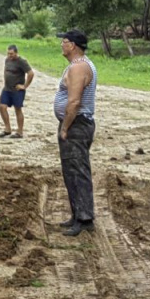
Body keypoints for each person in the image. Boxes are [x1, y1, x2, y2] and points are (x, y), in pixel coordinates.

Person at [54, 29, 98, 236]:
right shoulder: (78, 65)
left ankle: (84, 218)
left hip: (76, 124)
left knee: (77, 170)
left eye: (64, 42)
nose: (61, 45)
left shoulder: (79, 67)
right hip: (76, 123)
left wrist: (65, 127)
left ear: (72, 45)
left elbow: (74, 101)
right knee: (71, 170)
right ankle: (78, 214)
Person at [0, 44, 35, 139]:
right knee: (2, 107)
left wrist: (25, 86)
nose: (10, 55)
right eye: (8, 53)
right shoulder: (7, 60)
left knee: (17, 109)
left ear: (16, 53)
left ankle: (20, 131)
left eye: (11, 54)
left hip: (17, 90)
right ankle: (7, 129)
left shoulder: (22, 61)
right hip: (7, 88)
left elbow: (31, 73)